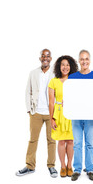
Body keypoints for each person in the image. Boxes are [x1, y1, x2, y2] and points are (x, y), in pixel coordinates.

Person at [16, 49, 57, 177]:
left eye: (48, 56)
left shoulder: (55, 73)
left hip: (51, 113)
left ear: (51, 58)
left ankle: (51, 166)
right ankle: (30, 166)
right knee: (33, 140)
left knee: (51, 140)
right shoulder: (33, 73)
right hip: (36, 112)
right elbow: (28, 91)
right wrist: (29, 110)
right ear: (40, 58)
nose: (45, 58)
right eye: (43, 56)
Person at [69, 50, 93, 181]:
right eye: (82, 59)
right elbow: (69, 96)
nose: (84, 61)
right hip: (76, 115)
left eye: (86, 59)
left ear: (90, 60)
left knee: (89, 143)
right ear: (79, 60)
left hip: (91, 115)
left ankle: (89, 169)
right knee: (77, 143)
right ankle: (77, 170)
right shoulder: (72, 77)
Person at [48, 55, 78, 177]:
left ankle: (70, 165)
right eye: (63, 65)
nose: (65, 67)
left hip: (71, 113)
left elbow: (79, 98)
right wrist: (51, 119)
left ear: (71, 67)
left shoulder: (74, 81)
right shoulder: (53, 81)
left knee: (70, 140)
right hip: (59, 113)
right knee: (61, 141)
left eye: (67, 65)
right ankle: (62, 166)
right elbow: (51, 101)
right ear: (59, 67)